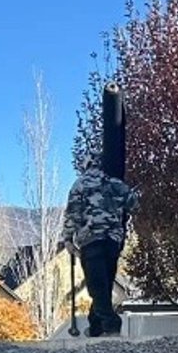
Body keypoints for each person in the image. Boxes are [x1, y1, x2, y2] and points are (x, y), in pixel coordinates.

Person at [62, 91, 140, 337]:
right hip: (113, 240)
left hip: (91, 239)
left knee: (98, 287)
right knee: (104, 284)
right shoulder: (114, 182)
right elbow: (133, 202)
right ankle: (96, 326)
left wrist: (68, 240)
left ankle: (110, 324)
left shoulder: (81, 184)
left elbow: (72, 213)